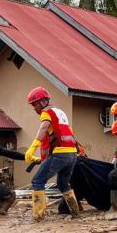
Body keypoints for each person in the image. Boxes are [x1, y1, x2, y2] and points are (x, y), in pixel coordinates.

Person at [24, 87, 80, 221]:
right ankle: (75, 213)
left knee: (37, 181)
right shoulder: (60, 112)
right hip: (72, 155)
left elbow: (43, 128)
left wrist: (32, 147)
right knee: (62, 183)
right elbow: (58, 135)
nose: (34, 108)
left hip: (60, 154)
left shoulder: (46, 112)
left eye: (35, 104)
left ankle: (38, 217)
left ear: (43, 101)